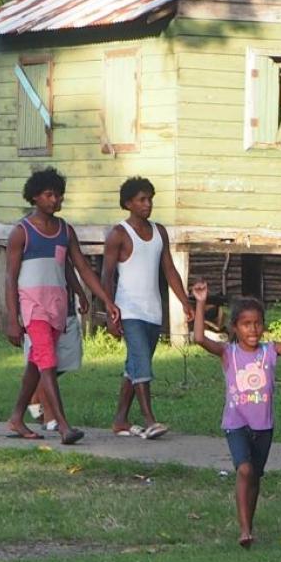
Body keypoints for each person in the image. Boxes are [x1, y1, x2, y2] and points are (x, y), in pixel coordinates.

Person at [189, 281, 281, 546]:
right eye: (246, 324)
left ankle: (250, 522)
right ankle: (244, 530)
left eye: (258, 323)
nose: (253, 329)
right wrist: (201, 303)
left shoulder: (270, 351)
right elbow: (200, 338)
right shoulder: (229, 353)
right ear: (235, 327)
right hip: (235, 423)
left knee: (255, 476)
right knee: (245, 470)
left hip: (263, 426)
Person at [0, 167, 115, 446]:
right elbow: (10, 278)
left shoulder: (65, 231)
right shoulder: (21, 233)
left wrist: (104, 300)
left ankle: (16, 417)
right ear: (35, 197)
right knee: (47, 363)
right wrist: (12, 319)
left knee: (37, 365)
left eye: (59, 195)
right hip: (33, 307)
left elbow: (79, 267)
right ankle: (63, 426)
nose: (55, 200)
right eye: (49, 195)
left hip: (57, 307)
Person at [99, 176, 193, 440]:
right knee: (141, 364)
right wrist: (109, 312)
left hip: (153, 310)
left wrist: (185, 302)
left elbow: (170, 269)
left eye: (150, 199)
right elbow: (106, 276)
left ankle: (120, 420)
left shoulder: (159, 231)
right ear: (128, 203)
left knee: (136, 366)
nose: (147, 204)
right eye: (141, 200)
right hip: (129, 310)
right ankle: (150, 420)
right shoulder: (118, 234)